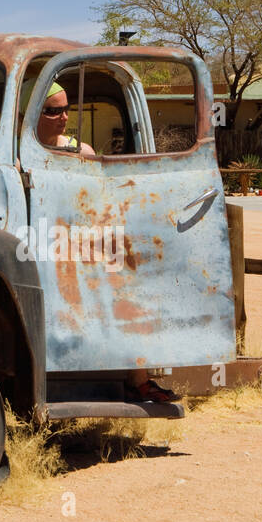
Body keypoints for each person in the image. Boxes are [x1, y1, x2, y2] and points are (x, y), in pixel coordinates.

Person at [20, 78, 175, 402]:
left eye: (65, 109)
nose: (62, 117)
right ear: (32, 113)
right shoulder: (19, 153)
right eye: (52, 111)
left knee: (124, 285)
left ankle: (138, 378)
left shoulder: (81, 151)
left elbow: (96, 202)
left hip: (78, 241)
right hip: (36, 239)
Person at [20, 80, 96, 155]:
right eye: (54, 111)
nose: (65, 117)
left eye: (66, 109)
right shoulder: (14, 155)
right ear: (30, 114)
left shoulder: (82, 153)